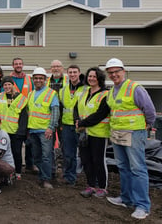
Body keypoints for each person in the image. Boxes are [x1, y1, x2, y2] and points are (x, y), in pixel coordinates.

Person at [78, 58, 156, 220]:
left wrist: (148, 124)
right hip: (117, 133)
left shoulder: (134, 88)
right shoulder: (113, 91)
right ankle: (126, 199)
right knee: (123, 167)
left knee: (137, 168)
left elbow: (149, 109)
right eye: (111, 72)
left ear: (123, 71)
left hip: (134, 133)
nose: (114, 75)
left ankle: (142, 205)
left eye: (116, 72)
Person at [75, 67, 110, 199]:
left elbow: (100, 114)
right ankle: (90, 185)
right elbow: (76, 108)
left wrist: (83, 123)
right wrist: (77, 121)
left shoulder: (105, 94)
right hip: (84, 133)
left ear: (99, 78)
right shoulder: (85, 93)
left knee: (98, 160)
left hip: (99, 133)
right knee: (86, 160)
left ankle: (102, 187)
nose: (91, 79)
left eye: (94, 76)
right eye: (89, 76)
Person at [27, 67, 59, 189]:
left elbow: (55, 112)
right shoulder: (31, 94)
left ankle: (47, 179)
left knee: (46, 156)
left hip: (45, 131)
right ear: (33, 80)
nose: (38, 80)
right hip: (33, 130)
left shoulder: (51, 93)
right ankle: (42, 176)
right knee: (37, 156)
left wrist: (51, 128)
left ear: (45, 80)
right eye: (36, 78)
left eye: (41, 78)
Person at [0, 76, 27, 180]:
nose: (7, 87)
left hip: (15, 132)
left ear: (13, 85)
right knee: (2, 153)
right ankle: (5, 173)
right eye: (5, 85)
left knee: (16, 152)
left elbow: (23, 117)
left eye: (9, 84)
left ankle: (18, 172)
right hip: (2, 132)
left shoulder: (21, 98)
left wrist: (21, 132)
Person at [59, 65, 85, 186]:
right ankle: (69, 177)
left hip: (81, 126)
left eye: (75, 72)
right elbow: (60, 107)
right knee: (68, 154)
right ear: (67, 74)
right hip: (66, 125)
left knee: (83, 153)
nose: (73, 74)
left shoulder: (86, 89)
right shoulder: (63, 90)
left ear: (79, 73)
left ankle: (91, 180)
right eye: (70, 72)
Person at [46, 60, 68, 177]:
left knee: (65, 147)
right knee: (50, 146)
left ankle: (66, 173)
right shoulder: (46, 82)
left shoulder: (67, 81)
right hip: (51, 117)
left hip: (65, 117)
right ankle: (52, 171)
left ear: (62, 68)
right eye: (53, 66)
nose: (55, 69)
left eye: (58, 66)